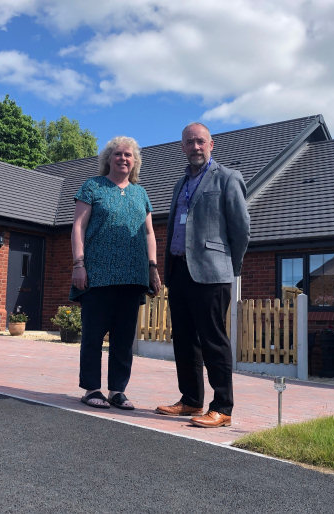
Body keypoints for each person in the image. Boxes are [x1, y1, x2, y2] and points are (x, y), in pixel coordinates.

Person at [155, 122, 250, 428]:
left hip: (212, 272)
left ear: (212, 145)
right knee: (183, 338)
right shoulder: (179, 183)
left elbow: (241, 230)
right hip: (179, 269)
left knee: (213, 339)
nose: (195, 147)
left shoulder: (228, 178)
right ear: (182, 147)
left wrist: (230, 268)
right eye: (189, 142)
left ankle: (222, 407)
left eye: (200, 142)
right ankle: (190, 400)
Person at [71, 136, 161, 410]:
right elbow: (78, 227)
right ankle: (91, 389)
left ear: (135, 162)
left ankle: (118, 391)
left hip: (133, 277)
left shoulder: (141, 193)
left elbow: (149, 233)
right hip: (97, 274)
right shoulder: (92, 187)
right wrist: (78, 264)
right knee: (93, 335)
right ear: (108, 159)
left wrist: (153, 268)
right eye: (118, 154)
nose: (123, 159)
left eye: (128, 155)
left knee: (123, 339)